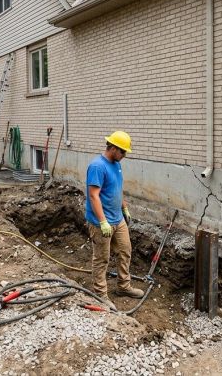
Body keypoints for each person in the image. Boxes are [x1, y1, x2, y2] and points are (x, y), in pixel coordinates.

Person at [85, 130, 144, 310]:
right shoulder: (97, 166)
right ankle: (100, 294)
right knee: (101, 258)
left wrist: (124, 207)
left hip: (118, 219)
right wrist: (102, 221)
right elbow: (93, 195)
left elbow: (117, 188)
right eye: (123, 151)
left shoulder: (116, 164)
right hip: (102, 222)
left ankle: (123, 286)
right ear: (113, 148)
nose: (125, 155)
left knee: (125, 250)